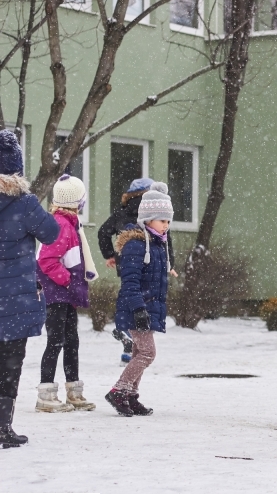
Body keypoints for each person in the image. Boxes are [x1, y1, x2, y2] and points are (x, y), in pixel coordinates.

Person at [0, 129, 60, 448]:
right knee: (10, 363)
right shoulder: (24, 203)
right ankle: (2, 426)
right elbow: (51, 233)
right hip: (15, 302)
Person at [104, 183, 173, 417]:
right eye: (162, 220)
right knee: (147, 353)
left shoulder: (156, 245)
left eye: (168, 221)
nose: (166, 225)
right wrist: (139, 309)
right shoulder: (136, 245)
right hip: (137, 308)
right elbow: (130, 282)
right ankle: (119, 390)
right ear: (147, 219)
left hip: (146, 307)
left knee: (138, 352)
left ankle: (131, 395)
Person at [35, 175, 98, 413]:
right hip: (57, 294)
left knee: (72, 341)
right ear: (77, 201)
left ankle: (74, 391)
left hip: (66, 294)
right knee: (56, 342)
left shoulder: (71, 224)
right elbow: (46, 260)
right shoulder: (61, 225)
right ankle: (46, 393)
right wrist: (69, 281)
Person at [98, 178, 177, 365]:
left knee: (129, 290)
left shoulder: (122, 212)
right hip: (152, 261)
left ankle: (127, 338)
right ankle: (130, 333)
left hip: (127, 258)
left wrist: (110, 254)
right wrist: (169, 264)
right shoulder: (156, 209)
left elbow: (103, 232)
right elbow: (167, 241)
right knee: (144, 298)